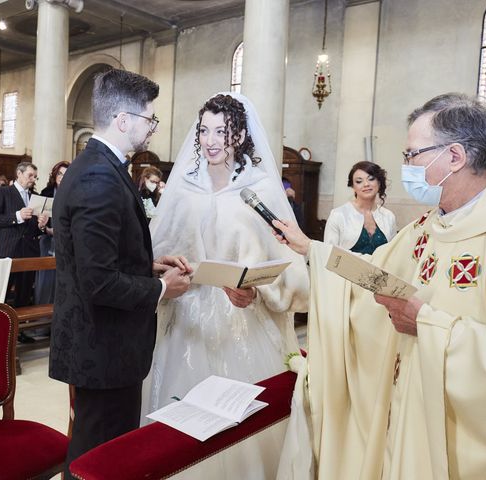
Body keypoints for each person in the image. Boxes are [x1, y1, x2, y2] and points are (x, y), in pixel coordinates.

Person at [275, 93, 486, 479]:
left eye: (413, 154)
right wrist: (311, 251)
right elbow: (371, 275)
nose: (405, 166)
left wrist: (426, 323)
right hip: (405, 408)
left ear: (455, 157)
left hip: (460, 439)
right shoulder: (426, 228)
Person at [48, 68, 191, 478]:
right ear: (124, 120)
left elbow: (96, 257)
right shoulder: (98, 177)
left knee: (102, 447)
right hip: (104, 346)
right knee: (100, 455)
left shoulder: (97, 165)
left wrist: (147, 265)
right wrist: (162, 287)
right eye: (150, 119)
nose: (152, 129)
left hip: (102, 342)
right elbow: (98, 281)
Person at [144, 93, 309, 428]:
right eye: (204, 131)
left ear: (240, 136)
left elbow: (284, 258)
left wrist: (256, 291)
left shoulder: (259, 189)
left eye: (221, 131)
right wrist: (167, 269)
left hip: (241, 317)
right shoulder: (185, 187)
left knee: (241, 421)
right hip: (187, 318)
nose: (210, 140)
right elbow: (159, 246)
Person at [0, 162, 48, 311]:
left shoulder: (35, 197)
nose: (33, 179)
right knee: (1, 295)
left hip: (29, 251)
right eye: (30, 175)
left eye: (35, 177)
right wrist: (17, 216)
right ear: (19, 174)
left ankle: (19, 331)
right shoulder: (3, 192)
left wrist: (41, 225)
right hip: (9, 250)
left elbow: (34, 229)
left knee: (24, 295)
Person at [324, 161, 396, 254]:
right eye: (359, 181)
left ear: (379, 182)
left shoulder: (389, 216)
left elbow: (394, 253)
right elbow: (328, 254)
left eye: (371, 179)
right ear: (353, 186)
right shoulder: (338, 215)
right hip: (346, 268)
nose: (366, 184)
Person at [34, 160, 70, 307]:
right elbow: (37, 225)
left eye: (66, 174)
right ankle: (41, 321)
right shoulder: (46, 193)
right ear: (54, 175)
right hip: (47, 240)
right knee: (46, 279)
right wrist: (44, 227)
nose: (62, 176)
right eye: (60, 173)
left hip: (66, 242)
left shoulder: (74, 194)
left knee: (64, 279)